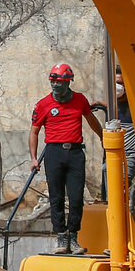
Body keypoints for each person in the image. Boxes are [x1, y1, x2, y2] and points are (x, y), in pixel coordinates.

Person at [29, 63, 104, 254]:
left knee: (76, 197)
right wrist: (34, 158)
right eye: (53, 81)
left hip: (75, 153)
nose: (55, 85)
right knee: (56, 197)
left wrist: (103, 136)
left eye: (59, 81)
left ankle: (73, 235)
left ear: (68, 82)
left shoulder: (79, 100)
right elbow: (34, 132)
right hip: (54, 153)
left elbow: (92, 120)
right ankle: (61, 236)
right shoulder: (43, 104)